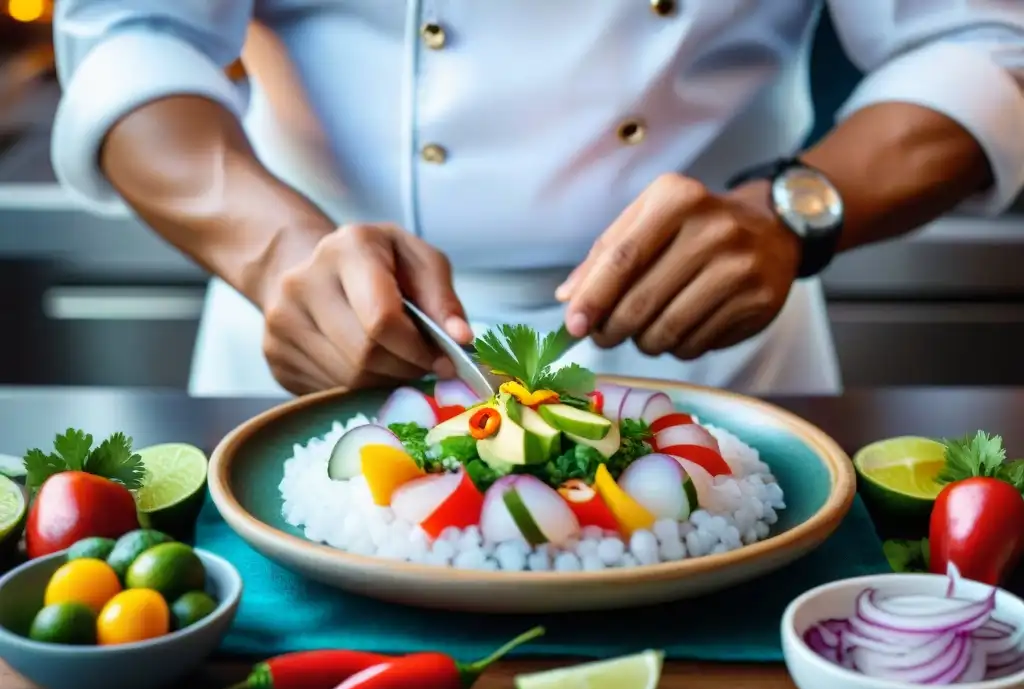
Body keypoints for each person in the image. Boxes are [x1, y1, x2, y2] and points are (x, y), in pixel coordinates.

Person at [52, 2, 1024, 398]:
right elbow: (134, 37)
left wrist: (796, 209)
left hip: (713, 355)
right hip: (320, 346)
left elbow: (984, 41)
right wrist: (279, 259)